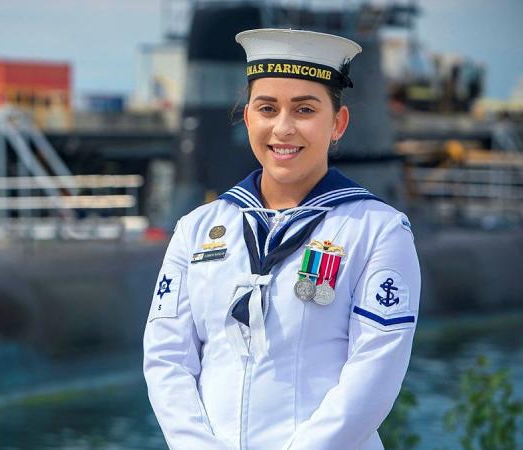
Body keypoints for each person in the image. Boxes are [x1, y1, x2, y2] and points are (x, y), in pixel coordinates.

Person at [143, 28, 420, 450]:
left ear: (337, 123)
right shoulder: (196, 229)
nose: (283, 128)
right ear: (249, 116)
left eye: (305, 109)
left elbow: (375, 370)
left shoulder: (377, 230)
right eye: (267, 108)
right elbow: (167, 359)